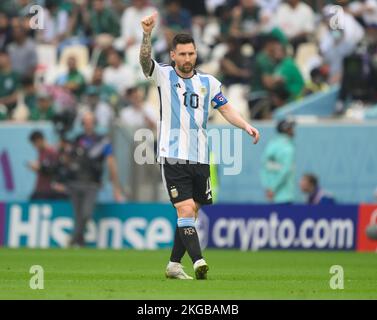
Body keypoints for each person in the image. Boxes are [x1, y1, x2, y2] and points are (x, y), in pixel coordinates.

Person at [139, 12, 260, 280]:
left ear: (196, 54)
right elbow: (145, 61)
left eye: (190, 54)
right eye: (181, 54)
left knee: (191, 211)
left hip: (200, 157)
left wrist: (246, 126)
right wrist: (147, 34)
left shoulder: (208, 82)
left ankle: (173, 265)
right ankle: (198, 261)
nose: (187, 59)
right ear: (173, 56)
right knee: (184, 209)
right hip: (172, 155)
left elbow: (226, 108)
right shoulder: (163, 76)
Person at [65, 111, 125, 247]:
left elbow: (111, 162)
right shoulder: (76, 139)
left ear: (95, 123)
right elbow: (68, 160)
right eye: (85, 121)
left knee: (86, 214)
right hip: (74, 182)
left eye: (90, 121)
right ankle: (80, 241)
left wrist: (116, 188)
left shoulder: (102, 141)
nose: (88, 124)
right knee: (78, 215)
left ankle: (74, 239)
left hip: (92, 183)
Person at [261, 119, 295, 204]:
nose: (293, 131)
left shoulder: (271, 145)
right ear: (287, 130)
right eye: (291, 128)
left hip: (271, 196)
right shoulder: (288, 148)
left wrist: (268, 188)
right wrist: (273, 188)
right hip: (285, 195)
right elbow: (285, 170)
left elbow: (263, 169)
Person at [28, 130, 68, 200]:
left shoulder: (52, 152)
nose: (35, 146)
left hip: (49, 190)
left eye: (35, 144)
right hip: (41, 188)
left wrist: (40, 168)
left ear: (39, 140)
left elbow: (55, 169)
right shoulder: (41, 152)